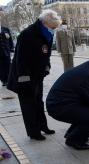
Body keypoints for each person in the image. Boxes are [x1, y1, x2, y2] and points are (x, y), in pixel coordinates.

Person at [7, 10, 61, 140]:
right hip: (24, 77)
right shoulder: (28, 34)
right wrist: (24, 79)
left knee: (38, 101)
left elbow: (45, 54)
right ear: (45, 23)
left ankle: (42, 126)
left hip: (37, 75)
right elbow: (21, 59)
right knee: (28, 104)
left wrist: (46, 67)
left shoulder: (46, 33)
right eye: (53, 28)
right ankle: (33, 132)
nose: (53, 30)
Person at [0, 17, 14, 86]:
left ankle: (9, 79)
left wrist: (12, 49)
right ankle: (3, 80)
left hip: (6, 51)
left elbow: (10, 40)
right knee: (1, 67)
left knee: (8, 66)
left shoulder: (6, 29)